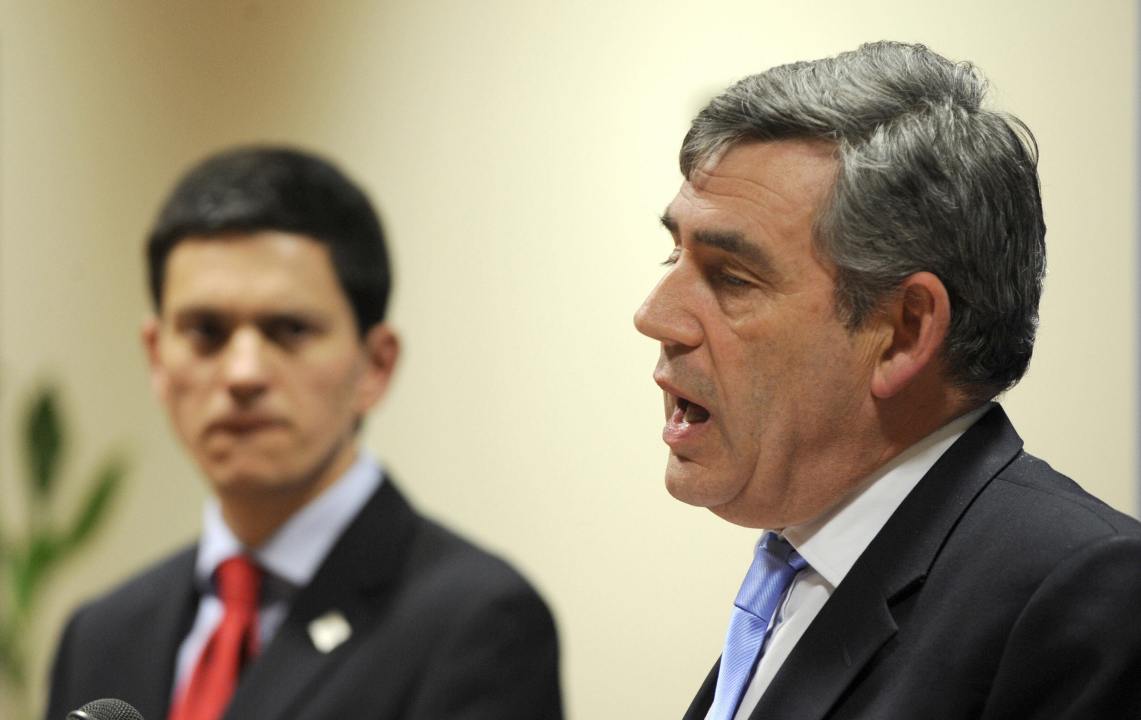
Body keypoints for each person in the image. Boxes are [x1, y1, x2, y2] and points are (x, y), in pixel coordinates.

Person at [634, 41, 1141, 720]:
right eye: (673, 254)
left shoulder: (1087, 597)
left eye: (732, 277)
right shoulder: (802, 563)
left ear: (903, 332)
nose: (654, 316)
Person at [45, 146, 562, 720]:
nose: (243, 374)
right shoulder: (100, 636)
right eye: (206, 331)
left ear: (375, 366)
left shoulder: (478, 622)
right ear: (156, 358)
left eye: (289, 329)